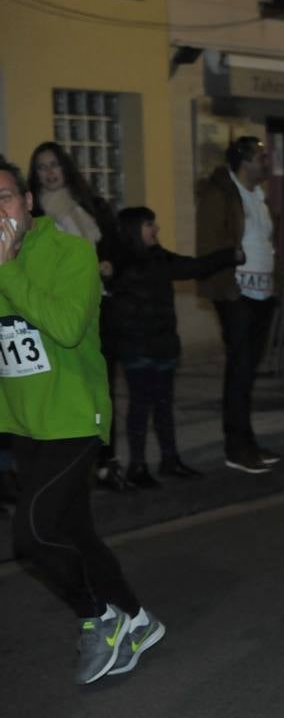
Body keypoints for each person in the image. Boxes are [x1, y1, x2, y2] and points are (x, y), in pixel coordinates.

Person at [0, 160, 165, 684]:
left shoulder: (71, 252)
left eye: (2, 198)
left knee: (30, 535)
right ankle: (139, 620)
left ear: (27, 201)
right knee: (75, 533)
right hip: (24, 421)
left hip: (73, 415)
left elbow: (68, 328)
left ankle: (100, 619)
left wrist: (6, 269)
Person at [108, 207, 241, 487]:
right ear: (133, 229)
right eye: (149, 225)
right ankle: (138, 466)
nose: (156, 229)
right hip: (137, 348)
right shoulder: (118, 263)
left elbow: (193, 267)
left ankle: (170, 460)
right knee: (140, 407)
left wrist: (228, 256)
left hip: (163, 345)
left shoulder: (160, 258)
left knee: (164, 406)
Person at [27, 142, 127, 491]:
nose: (49, 172)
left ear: (66, 168)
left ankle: (104, 461)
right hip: (56, 315)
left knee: (100, 390)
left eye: (54, 164)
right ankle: (64, 467)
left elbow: (116, 245)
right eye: (41, 167)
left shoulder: (89, 206)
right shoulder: (31, 212)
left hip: (97, 310)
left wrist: (109, 265)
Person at [196, 135, 282, 474]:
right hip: (237, 292)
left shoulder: (258, 196)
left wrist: (276, 285)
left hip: (262, 294)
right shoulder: (220, 193)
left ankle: (247, 440)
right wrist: (225, 286)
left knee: (248, 371)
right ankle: (236, 445)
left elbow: (267, 242)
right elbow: (210, 241)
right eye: (261, 157)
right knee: (240, 369)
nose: (266, 163)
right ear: (244, 161)